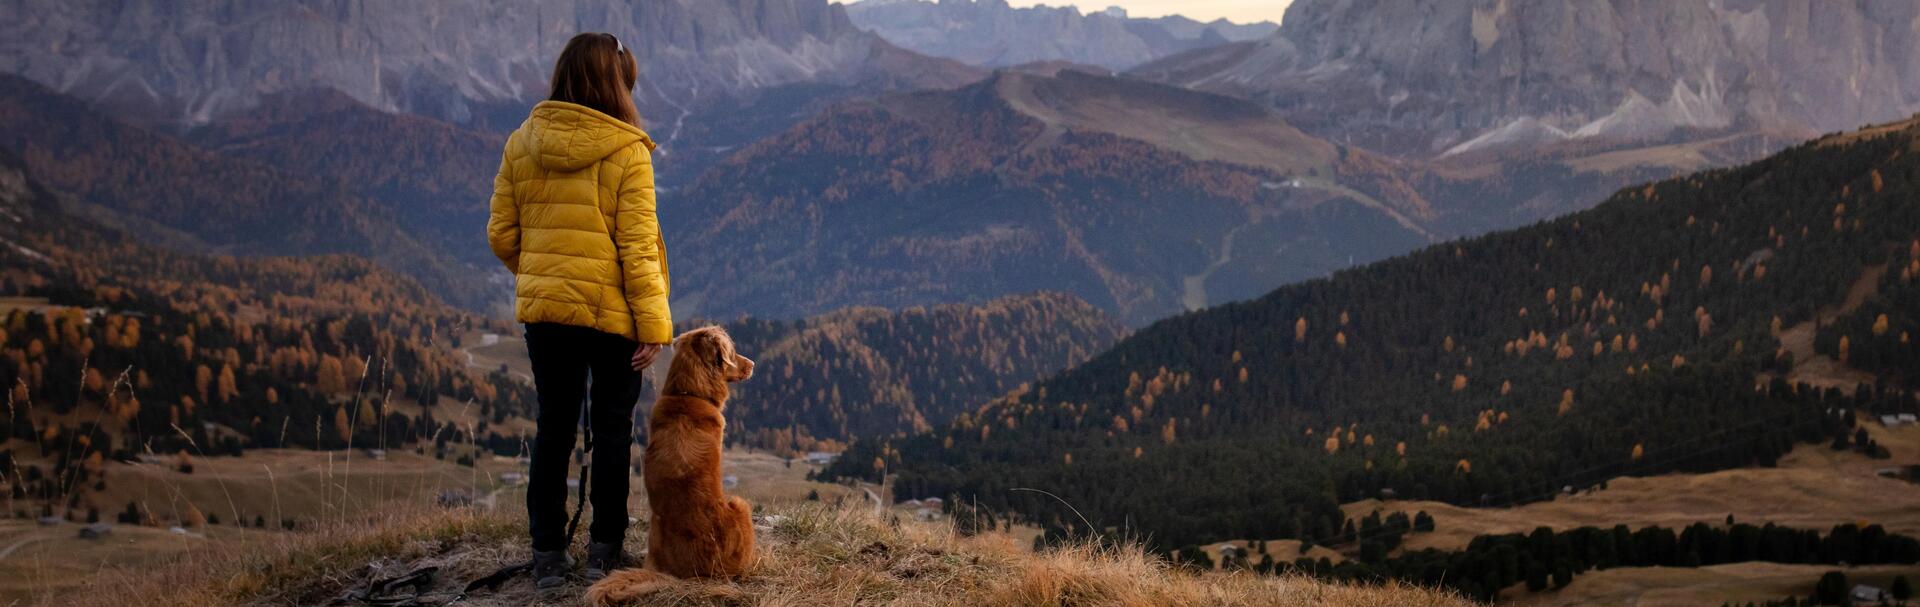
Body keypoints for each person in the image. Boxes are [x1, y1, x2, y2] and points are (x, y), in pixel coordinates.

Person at [486, 31, 670, 589]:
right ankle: (604, 555)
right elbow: (638, 250)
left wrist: (544, 275)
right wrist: (654, 327)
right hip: (613, 319)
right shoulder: (628, 150)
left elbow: (501, 234)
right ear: (616, 84)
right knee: (611, 433)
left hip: (547, 319)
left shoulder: (522, 142)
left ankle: (546, 558)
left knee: (554, 430)